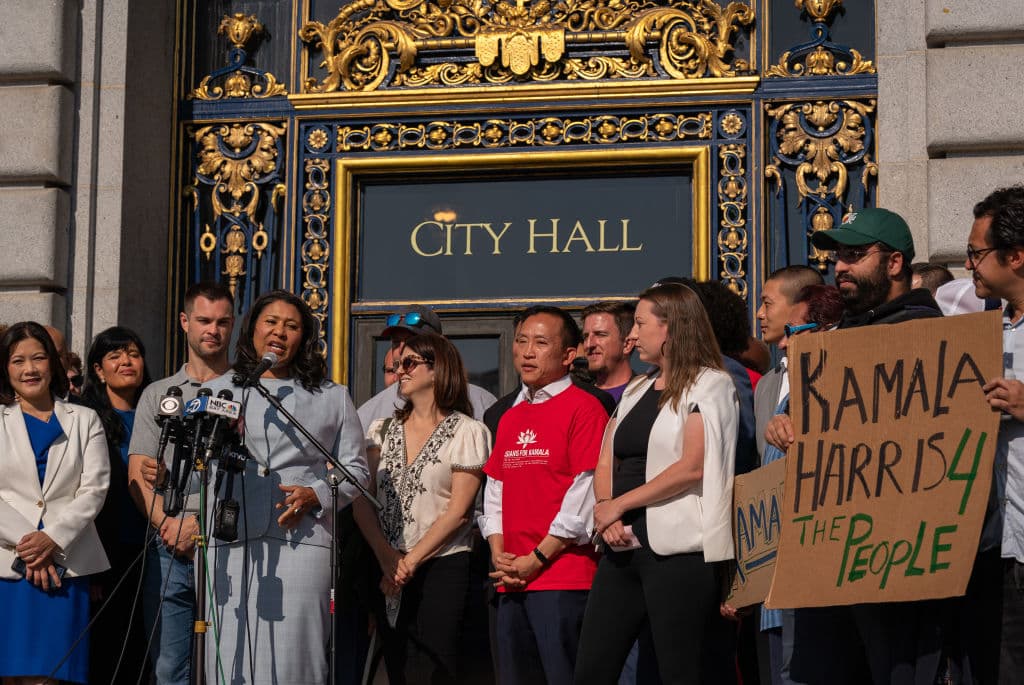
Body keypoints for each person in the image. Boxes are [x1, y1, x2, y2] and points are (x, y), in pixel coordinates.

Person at [797, 208, 943, 684]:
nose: (840, 266)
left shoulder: (927, 330)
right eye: (838, 255)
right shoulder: (844, 335)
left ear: (895, 264)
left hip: (902, 558)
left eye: (855, 255)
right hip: (840, 554)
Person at [574, 282, 739, 684]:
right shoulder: (637, 388)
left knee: (679, 671)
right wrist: (605, 510)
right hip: (620, 548)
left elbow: (692, 467)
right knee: (592, 668)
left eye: (641, 324)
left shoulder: (710, 384)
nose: (632, 335)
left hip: (677, 553)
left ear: (670, 328)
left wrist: (620, 504)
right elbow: (605, 459)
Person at [206, 289, 369, 684]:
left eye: (291, 326)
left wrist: (316, 492)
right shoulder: (220, 390)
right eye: (271, 322)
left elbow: (357, 472)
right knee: (230, 655)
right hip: (232, 539)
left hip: (301, 540)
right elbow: (200, 467)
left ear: (304, 338)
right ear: (253, 329)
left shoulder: (332, 397)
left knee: (297, 656)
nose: (279, 331)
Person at [478, 305, 609, 684]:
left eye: (540, 343)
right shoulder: (510, 414)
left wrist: (537, 557)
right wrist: (500, 555)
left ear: (569, 355)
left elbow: (584, 493)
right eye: (521, 341)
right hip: (509, 579)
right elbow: (495, 491)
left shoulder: (585, 408)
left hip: (563, 579)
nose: (527, 352)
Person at [354, 333, 489, 683]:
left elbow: (460, 511)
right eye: (398, 364)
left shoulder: (468, 431)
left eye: (410, 363)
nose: (400, 371)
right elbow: (361, 501)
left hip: (442, 567)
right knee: (395, 665)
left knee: (432, 670)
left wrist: (408, 563)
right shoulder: (379, 431)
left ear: (437, 368)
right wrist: (386, 558)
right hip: (386, 566)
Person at [128, 281, 235, 685]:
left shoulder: (248, 390)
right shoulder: (158, 394)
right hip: (167, 541)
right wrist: (168, 526)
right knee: (169, 665)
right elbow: (137, 475)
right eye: (205, 320)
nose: (214, 330)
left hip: (228, 539)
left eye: (223, 322)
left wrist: (200, 525)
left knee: (229, 660)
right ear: (184, 322)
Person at [0, 321, 111, 683]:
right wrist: (32, 544)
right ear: (5, 367)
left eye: (38, 358)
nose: (29, 369)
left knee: (56, 676)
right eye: (18, 361)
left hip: (67, 564)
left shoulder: (85, 419)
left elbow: (94, 489)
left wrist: (54, 539)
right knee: (11, 674)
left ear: (54, 363)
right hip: (8, 567)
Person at [756, 285, 844, 685]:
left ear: (826, 329)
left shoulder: (843, 389)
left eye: (796, 331)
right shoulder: (778, 393)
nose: (785, 344)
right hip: (775, 571)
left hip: (821, 567)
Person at [964, 184, 1024, 684]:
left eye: (977, 254)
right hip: (995, 551)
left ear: (1016, 256)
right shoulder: (982, 331)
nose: (970, 267)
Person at [82, 326, 153, 684]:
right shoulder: (84, 418)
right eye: (115, 355)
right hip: (106, 556)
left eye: (134, 354)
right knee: (106, 650)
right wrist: (93, 568)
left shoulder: (159, 414)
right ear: (98, 369)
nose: (126, 362)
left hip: (152, 548)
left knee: (144, 650)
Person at [358, 306, 497, 426]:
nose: (401, 350)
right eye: (396, 343)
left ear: (439, 347)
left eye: (411, 341)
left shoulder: (482, 403)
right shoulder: (370, 413)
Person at [581, 301, 636, 402]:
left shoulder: (646, 396)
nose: (589, 344)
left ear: (627, 344)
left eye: (600, 335)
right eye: (585, 336)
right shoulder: (578, 396)